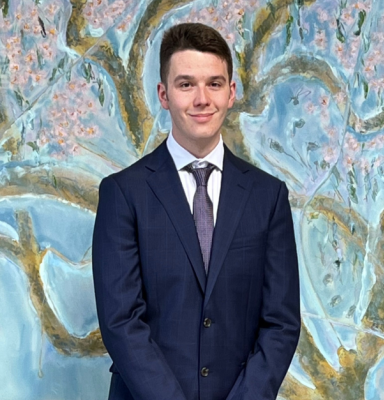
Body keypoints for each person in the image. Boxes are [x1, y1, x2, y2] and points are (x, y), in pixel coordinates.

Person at [92, 22, 300, 400]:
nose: (202, 99)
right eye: (186, 84)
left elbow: (281, 323)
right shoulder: (123, 194)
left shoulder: (268, 197)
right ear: (164, 94)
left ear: (231, 92)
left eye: (214, 83)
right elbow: (120, 321)